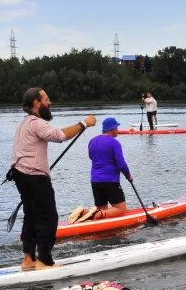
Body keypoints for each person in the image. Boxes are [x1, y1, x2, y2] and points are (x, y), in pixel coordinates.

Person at [10, 87, 97, 270]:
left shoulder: (23, 123)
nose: (50, 103)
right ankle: (44, 262)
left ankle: (28, 260)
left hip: (21, 176)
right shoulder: (36, 122)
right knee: (48, 217)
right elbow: (59, 136)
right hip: (35, 178)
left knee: (31, 216)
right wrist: (84, 123)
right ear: (36, 103)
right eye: (47, 99)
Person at [73, 117, 132, 223]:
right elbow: (121, 164)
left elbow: (91, 157)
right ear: (112, 128)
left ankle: (85, 212)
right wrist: (128, 176)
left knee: (103, 209)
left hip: (95, 180)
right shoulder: (114, 142)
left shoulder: (92, 141)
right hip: (110, 180)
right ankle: (96, 213)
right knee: (121, 210)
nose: (118, 130)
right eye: (117, 127)